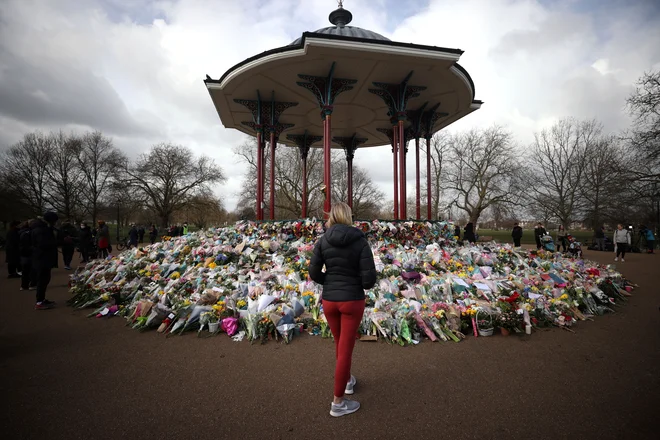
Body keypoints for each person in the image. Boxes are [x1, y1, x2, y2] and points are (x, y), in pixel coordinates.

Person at [308, 202, 377, 418]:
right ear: (349, 216)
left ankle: (347, 381)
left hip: (330, 300)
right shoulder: (360, 241)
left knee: (340, 343)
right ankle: (338, 403)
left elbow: (313, 272)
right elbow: (369, 280)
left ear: (331, 217)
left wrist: (329, 281)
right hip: (352, 300)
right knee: (345, 349)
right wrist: (356, 282)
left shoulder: (323, 241)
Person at [32, 212, 59, 309]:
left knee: (45, 280)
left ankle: (42, 299)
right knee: (42, 280)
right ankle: (39, 302)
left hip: (43, 258)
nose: (55, 223)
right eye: (54, 221)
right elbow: (43, 244)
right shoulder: (41, 230)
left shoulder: (44, 229)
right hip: (42, 259)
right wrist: (55, 243)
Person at [19, 220, 37, 291]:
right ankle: (32, 284)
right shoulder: (31, 233)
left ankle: (24, 285)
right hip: (30, 253)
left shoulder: (22, 232)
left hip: (23, 254)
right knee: (33, 270)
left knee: (25, 271)